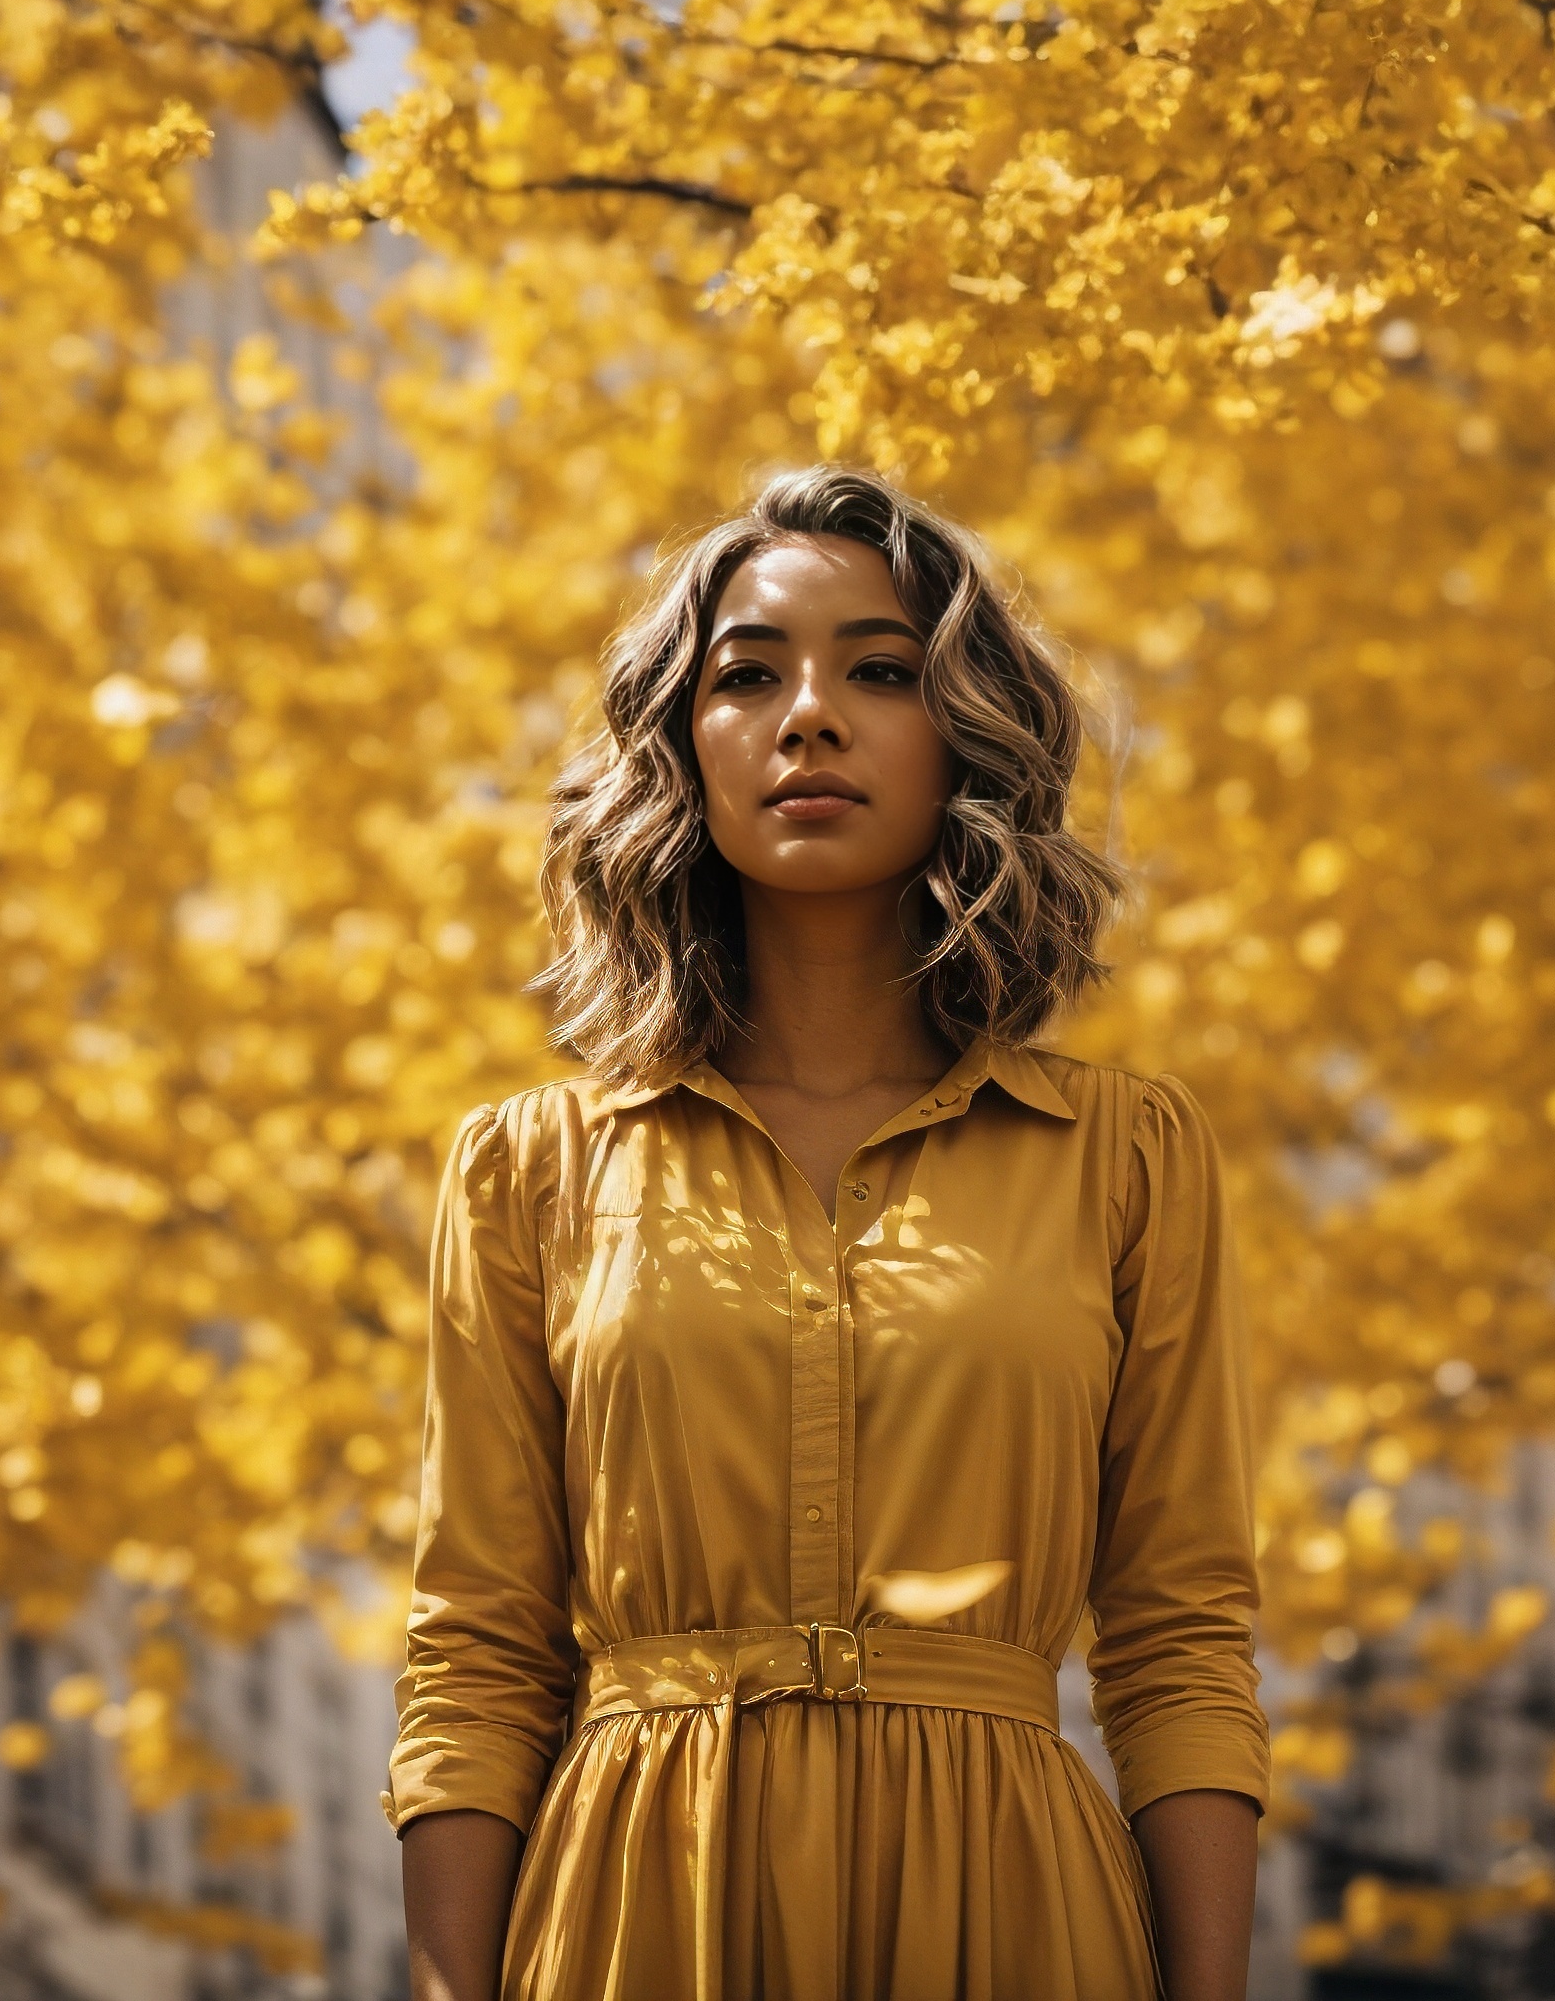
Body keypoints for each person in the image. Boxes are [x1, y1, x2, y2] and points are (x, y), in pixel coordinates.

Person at [388, 469, 1266, 1999]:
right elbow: (478, 1651)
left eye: (882, 670)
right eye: (747, 675)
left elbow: (1180, 1638)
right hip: (634, 1907)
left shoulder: (1127, 1156)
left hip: (1013, 1908)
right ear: (685, 746)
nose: (810, 716)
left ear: (966, 735)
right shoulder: (527, 1170)